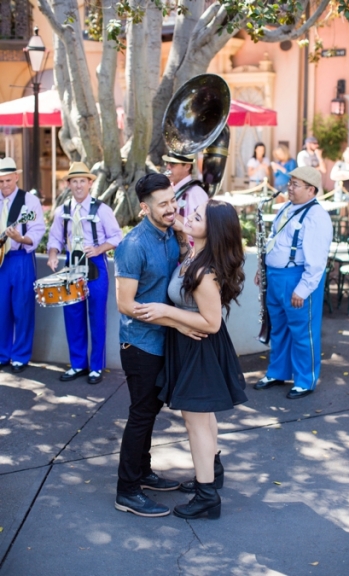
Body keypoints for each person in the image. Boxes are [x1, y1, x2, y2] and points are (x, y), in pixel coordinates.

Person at [134, 200, 248, 520]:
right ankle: (212, 469)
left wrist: (167, 312)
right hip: (190, 345)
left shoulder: (205, 272)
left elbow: (211, 322)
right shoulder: (195, 253)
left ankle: (206, 495)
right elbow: (181, 227)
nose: (188, 218)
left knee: (195, 421)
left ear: (212, 230)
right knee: (203, 417)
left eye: (197, 217)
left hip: (199, 346)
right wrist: (161, 216)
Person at [113, 173, 193, 517]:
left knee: (149, 414)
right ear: (144, 208)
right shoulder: (133, 245)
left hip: (163, 340)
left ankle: (142, 473)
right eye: (163, 204)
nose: (171, 207)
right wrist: (173, 319)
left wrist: (184, 236)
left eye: (173, 200)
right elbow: (125, 304)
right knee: (141, 415)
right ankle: (127, 490)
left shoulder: (169, 234)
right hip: (140, 344)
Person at [253, 166, 332, 399]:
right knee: (278, 327)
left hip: (296, 278)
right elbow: (274, 240)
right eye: (290, 183)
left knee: (302, 331)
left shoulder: (317, 217)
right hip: (277, 276)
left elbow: (317, 261)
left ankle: (305, 380)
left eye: (295, 184)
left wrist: (303, 288)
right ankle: (278, 372)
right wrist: (263, 267)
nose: (289, 187)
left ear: (311, 190)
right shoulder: (287, 207)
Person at [46, 162, 123, 385]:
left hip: (95, 264)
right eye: (74, 181)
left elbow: (117, 237)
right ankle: (78, 364)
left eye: (83, 181)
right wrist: (52, 255)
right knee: (73, 314)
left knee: (97, 316)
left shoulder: (102, 209)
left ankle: (96, 367)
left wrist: (99, 249)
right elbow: (55, 239)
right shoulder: (63, 211)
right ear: (68, 184)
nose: (78, 185)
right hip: (72, 263)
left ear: (90, 183)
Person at [0, 157, 45, 373]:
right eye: (1, 181)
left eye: (8, 180)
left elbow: (37, 230)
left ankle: (20, 355)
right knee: (1, 309)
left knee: (23, 307)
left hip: (20, 258)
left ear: (16, 177)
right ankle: (2, 353)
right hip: (1, 260)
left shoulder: (29, 201)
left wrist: (21, 238)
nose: (5, 185)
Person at [163, 151, 208, 229]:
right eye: (167, 163)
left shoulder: (196, 193)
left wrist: (172, 216)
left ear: (187, 166)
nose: (168, 167)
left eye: (173, 164)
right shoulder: (167, 188)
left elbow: (202, 227)